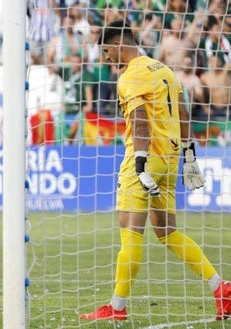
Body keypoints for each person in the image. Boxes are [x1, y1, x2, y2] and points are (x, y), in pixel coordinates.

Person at [79, 19, 231, 321]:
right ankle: (221, 289)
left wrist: (140, 162)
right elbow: (184, 112)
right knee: (166, 231)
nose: (106, 58)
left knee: (130, 233)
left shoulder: (130, 76)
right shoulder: (163, 69)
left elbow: (139, 121)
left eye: (108, 51)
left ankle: (117, 309)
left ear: (119, 44)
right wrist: (190, 156)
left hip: (146, 159)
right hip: (172, 157)